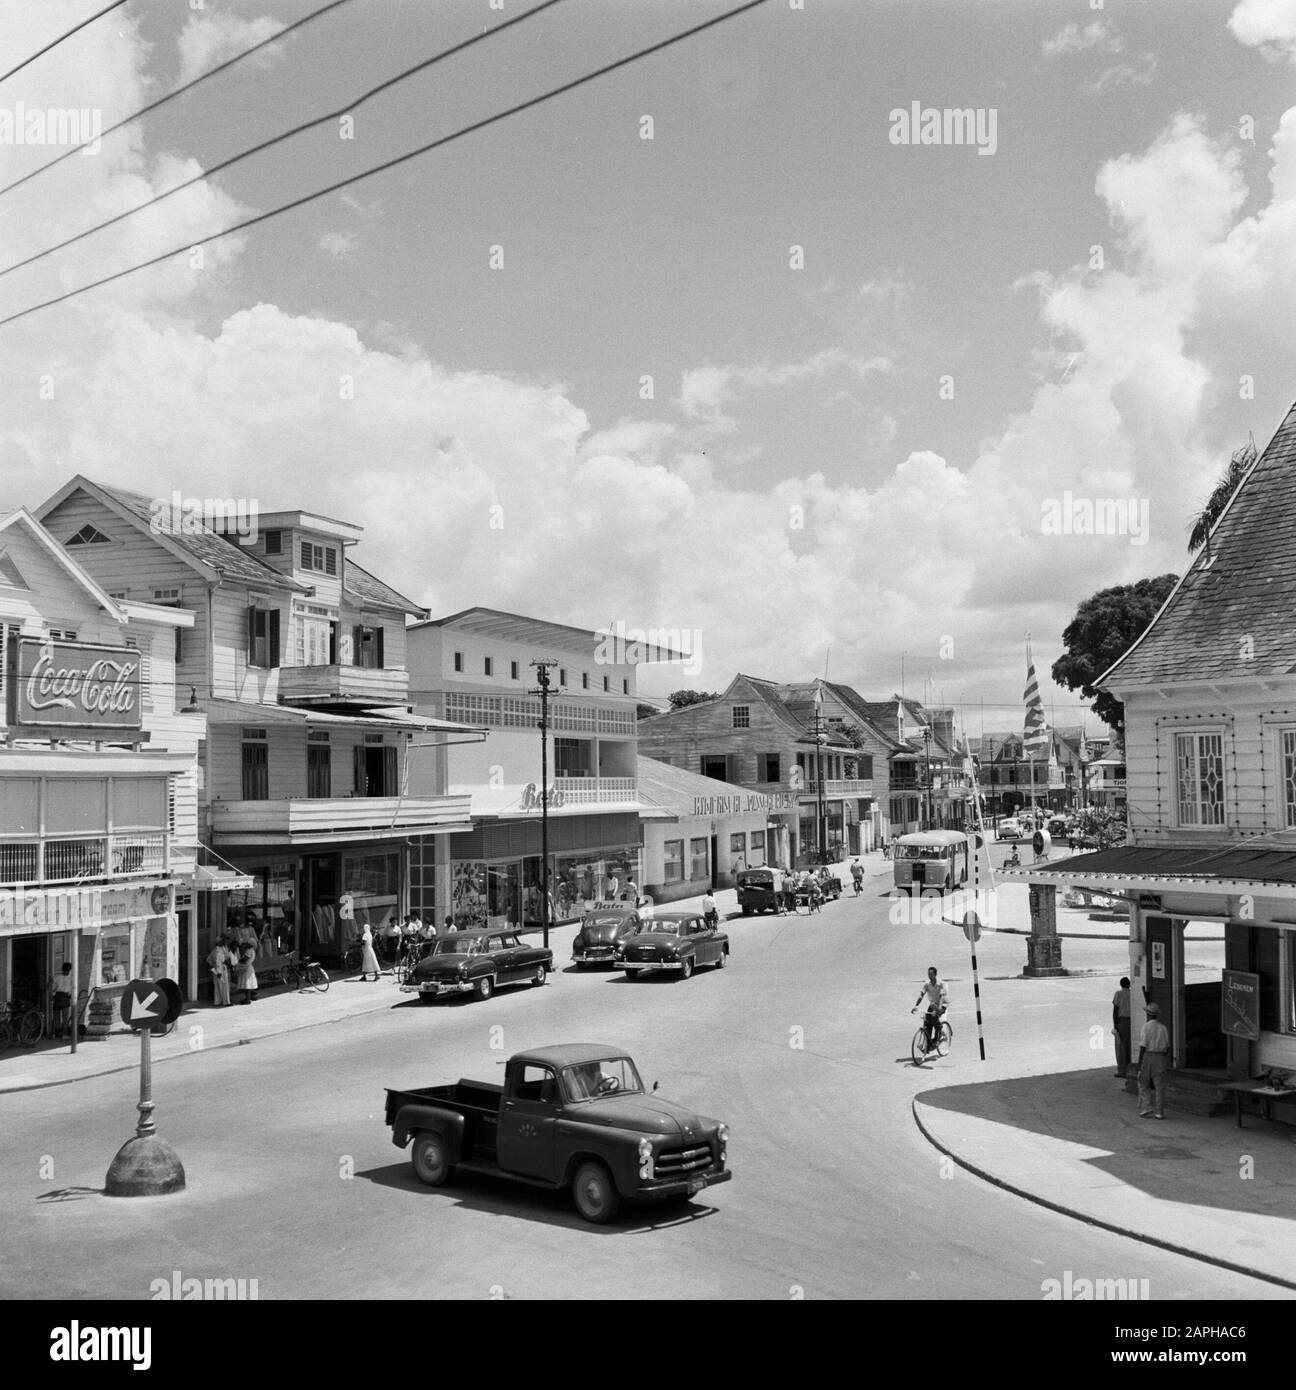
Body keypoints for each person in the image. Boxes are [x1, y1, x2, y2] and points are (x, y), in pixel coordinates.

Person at [1136, 1001, 1170, 1119]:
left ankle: (1147, 1107)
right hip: (1160, 1057)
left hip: (1148, 1056)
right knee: (1160, 1086)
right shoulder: (1163, 1028)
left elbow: (1143, 1046)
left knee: (1143, 1083)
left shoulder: (1146, 1027)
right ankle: (1159, 1112)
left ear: (1148, 1014)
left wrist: (1139, 1062)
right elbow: (1167, 1047)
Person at [911, 966, 949, 1054]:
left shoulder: (941, 984)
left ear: (935, 975)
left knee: (934, 1017)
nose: (929, 976)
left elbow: (941, 998)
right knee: (927, 1022)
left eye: (931, 974)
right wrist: (916, 1005)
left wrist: (938, 1010)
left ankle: (942, 1033)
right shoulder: (927, 984)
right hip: (933, 1004)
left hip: (942, 1003)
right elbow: (921, 995)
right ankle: (929, 1046)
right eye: (928, 974)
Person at [1112, 976, 1132, 1078]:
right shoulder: (1132, 993)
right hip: (1132, 1021)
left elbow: (1115, 1011)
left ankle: (1122, 1070)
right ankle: (1130, 1069)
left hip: (1122, 1021)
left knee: (1120, 1047)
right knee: (1130, 1046)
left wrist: (1115, 1025)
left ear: (1121, 984)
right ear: (1129, 984)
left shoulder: (1118, 994)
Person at [207, 935, 234, 1008]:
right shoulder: (217, 951)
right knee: (224, 986)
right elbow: (217, 962)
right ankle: (226, 1002)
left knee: (218, 986)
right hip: (220, 970)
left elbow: (209, 960)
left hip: (218, 969)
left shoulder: (221, 949)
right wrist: (218, 972)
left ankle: (217, 1001)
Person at [52, 962, 73, 1038]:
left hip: (57, 997)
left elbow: (49, 985)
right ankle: (64, 1034)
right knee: (65, 1017)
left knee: (56, 1017)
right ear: (68, 970)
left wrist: (52, 993)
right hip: (65, 997)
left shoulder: (56, 977)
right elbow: (72, 989)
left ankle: (53, 1034)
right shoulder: (70, 978)